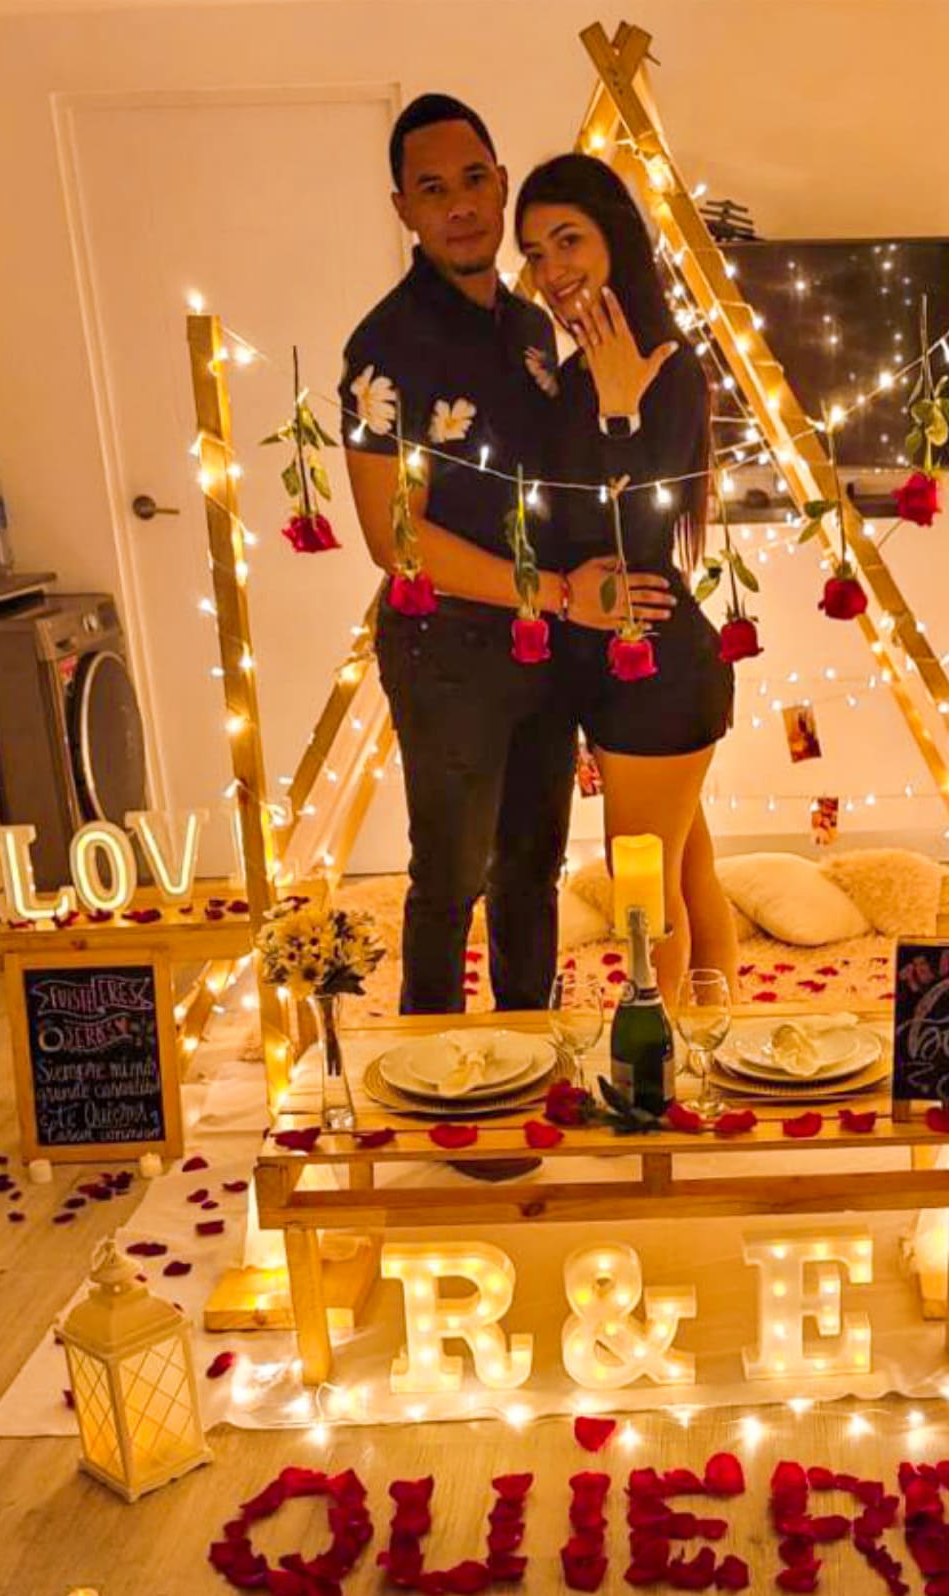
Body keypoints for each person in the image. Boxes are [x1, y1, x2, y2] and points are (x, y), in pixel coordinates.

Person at [338, 95, 675, 1014]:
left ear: (499, 184)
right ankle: (436, 1071)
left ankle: (529, 1054)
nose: (459, 204)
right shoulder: (385, 346)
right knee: (450, 880)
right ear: (403, 207)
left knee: (532, 869)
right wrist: (559, 592)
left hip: (544, 647)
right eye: (431, 188)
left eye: (474, 180)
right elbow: (394, 539)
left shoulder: (531, 328)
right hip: (446, 650)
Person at [515, 154, 738, 1003]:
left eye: (567, 239)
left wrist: (618, 413)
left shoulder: (663, 364)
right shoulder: (575, 372)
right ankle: (709, 1044)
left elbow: (639, 534)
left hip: (655, 670)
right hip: (616, 666)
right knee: (680, 872)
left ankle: (657, 1059)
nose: (551, 268)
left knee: (642, 893)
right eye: (534, 252)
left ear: (615, 239)